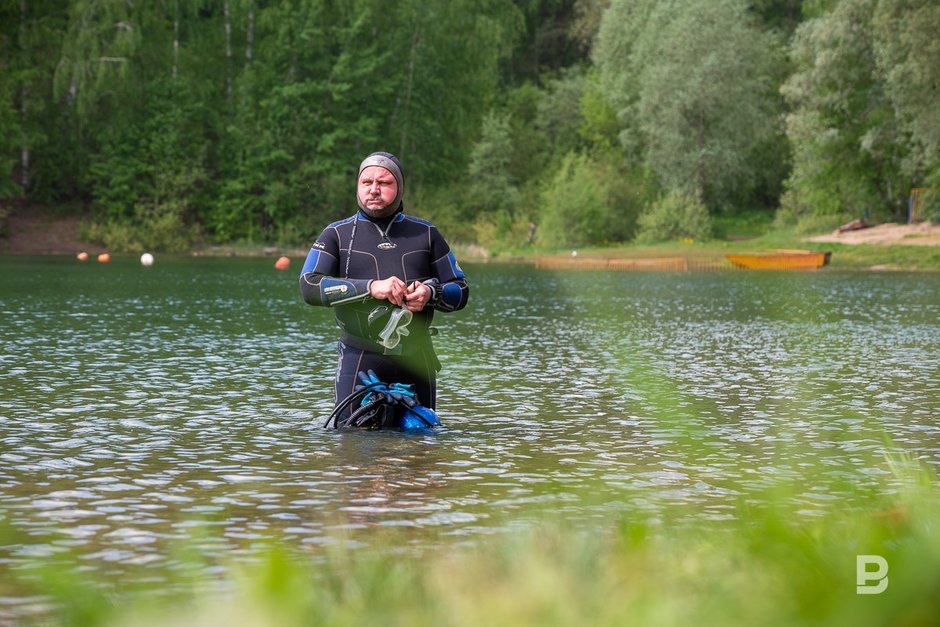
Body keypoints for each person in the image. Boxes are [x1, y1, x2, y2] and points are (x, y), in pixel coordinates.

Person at [299, 151, 469, 427]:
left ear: (399, 188)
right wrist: (371, 288)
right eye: (366, 182)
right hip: (361, 357)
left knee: (421, 448)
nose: (374, 190)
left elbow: (461, 290)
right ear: (357, 186)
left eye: (384, 183)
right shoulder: (336, 234)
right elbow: (309, 286)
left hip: (417, 357)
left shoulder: (426, 234)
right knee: (353, 447)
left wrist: (431, 294)